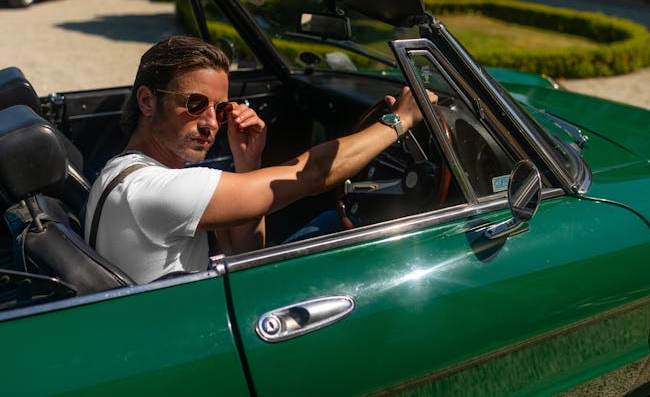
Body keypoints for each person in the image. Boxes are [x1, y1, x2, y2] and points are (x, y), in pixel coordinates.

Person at [84, 35, 436, 283]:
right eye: (195, 104)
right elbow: (312, 174)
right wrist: (399, 121)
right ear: (147, 102)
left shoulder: (121, 170)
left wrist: (246, 162)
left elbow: (246, 251)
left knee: (330, 219)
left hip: (189, 316)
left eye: (220, 109)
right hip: (196, 331)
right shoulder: (157, 192)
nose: (210, 123)